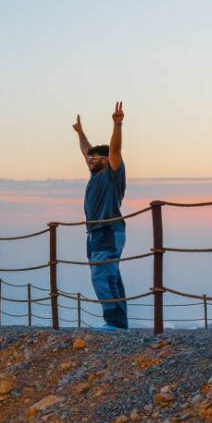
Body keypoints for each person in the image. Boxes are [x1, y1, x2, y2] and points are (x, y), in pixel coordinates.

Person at [73, 102, 128, 329]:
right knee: (110, 276)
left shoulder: (113, 174)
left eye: (94, 158)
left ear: (105, 160)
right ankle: (119, 323)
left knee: (102, 277)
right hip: (97, 232)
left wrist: (117, 124)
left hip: (107, 229)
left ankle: (114, 324)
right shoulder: (95, 175)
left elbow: (115, 150)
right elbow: (85, 149)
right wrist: (81, 133)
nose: (89, 160)